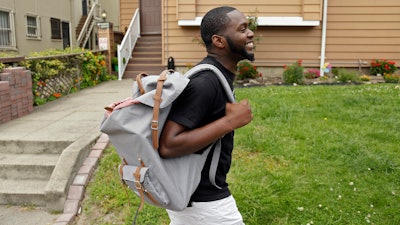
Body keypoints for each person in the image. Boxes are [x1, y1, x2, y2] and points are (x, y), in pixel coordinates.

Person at [159, 6, 254, 225]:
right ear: (219, 41)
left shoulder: (218, 75)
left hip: (195, 200)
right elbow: (168, 145)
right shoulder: (205, 83)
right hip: (206, 203)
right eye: (242, 29)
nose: (250, 34)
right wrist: (229, 122)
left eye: (248, 27)